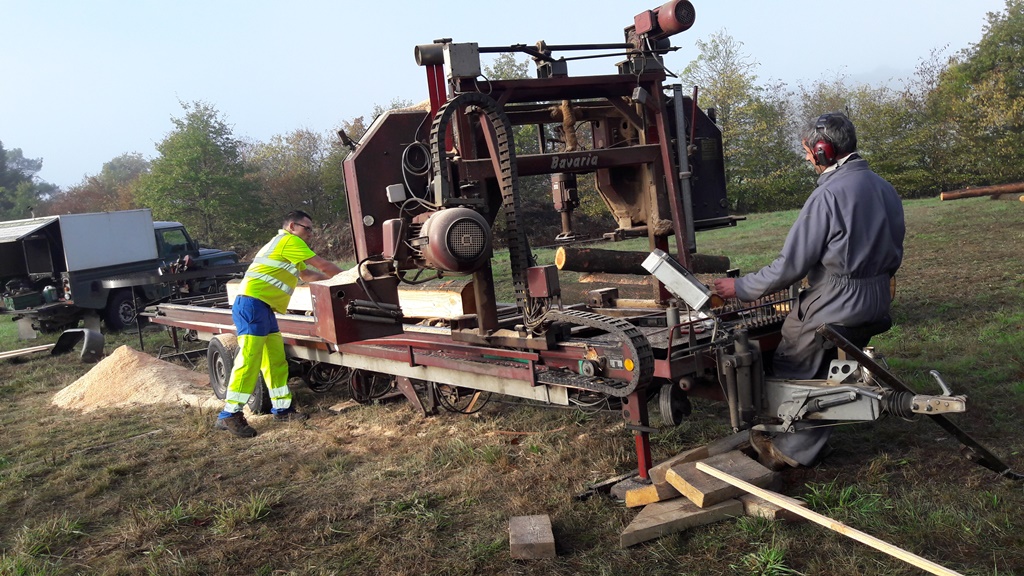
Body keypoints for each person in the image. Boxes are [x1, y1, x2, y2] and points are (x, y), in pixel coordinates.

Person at [713, 112, 905, 468]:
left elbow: (790, 268)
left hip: (838, 299)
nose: (806, 158)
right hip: (878, 297)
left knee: (792, 353)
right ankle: (814, 437)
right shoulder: (884, 187)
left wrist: (738, 287)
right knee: (822, 358)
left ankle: (789, 450)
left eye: (807, 151)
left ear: (823, 151)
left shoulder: (828, 195)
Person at [216, 210, 343, 438]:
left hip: (263, 308)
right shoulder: (288, 240)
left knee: (275, 360)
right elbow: (322, 265)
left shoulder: (284, 245)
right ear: (292, 226)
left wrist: (336, 279)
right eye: (308, 228)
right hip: (252, 305)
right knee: (249, 359)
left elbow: (307, 275)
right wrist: (352, 276)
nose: (310, 234)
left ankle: (283, 409)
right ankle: (229, 415)